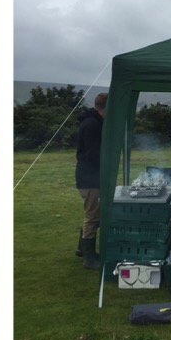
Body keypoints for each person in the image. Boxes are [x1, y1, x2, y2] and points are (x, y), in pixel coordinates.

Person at [74, 92, 107, 270]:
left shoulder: (92, 122)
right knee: (92, 217)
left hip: (89, 177)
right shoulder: (92, 124)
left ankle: (82, 249)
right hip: (89, 179)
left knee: (93, 214)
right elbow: (92, 154)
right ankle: (89, 257)